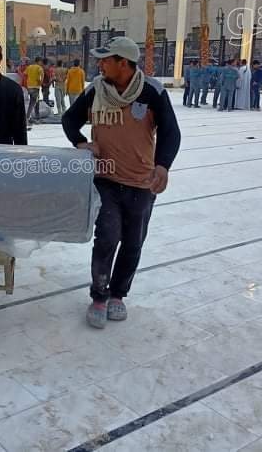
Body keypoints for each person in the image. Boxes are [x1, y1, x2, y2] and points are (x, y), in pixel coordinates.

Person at [62, 36, 181, 329]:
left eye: (105, 60)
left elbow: (171, 131)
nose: (100, 65)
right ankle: (99, 296)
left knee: (132, 242)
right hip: (105, 179)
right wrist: (80, 142)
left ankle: (118, 294)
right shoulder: (96, 90)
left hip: (141, 182)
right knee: (107, 237)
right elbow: (69, 119)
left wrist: (163, 165)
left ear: (123, 63)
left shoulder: (151, 91)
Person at [24, 57, 44, 122]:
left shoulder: (29, 67)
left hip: (29, 87)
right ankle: (27, 117)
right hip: (35, 87)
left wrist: (26, 84)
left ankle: (36, 116)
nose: (41, 63)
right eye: (41, 61)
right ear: (39, 61)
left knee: (35, 101)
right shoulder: (39, 67)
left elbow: (25, 74)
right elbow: (42, 75)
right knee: (33, 103)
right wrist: (40, 82)